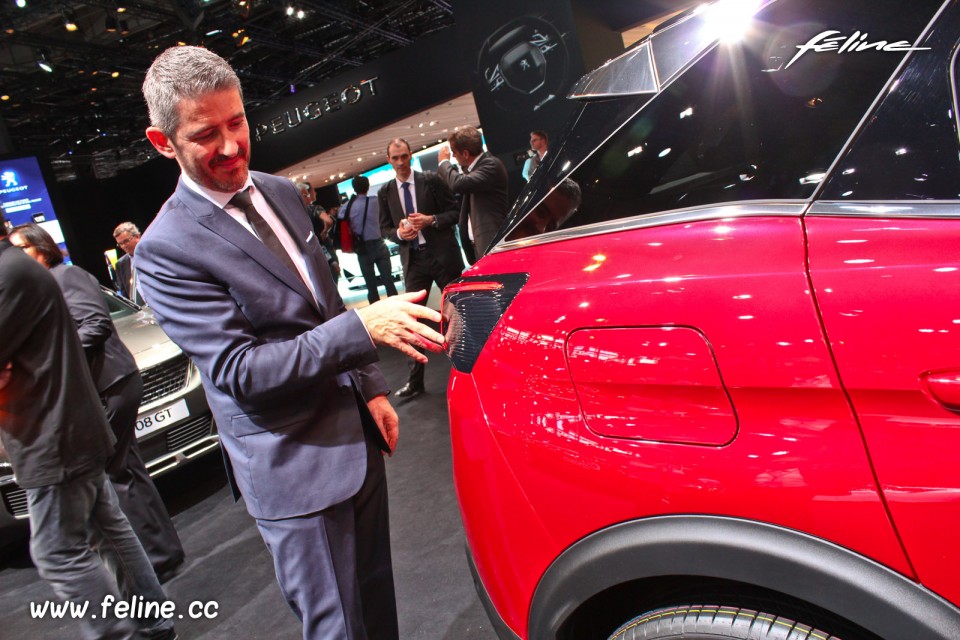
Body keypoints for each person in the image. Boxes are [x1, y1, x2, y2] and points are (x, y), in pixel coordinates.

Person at [137, 45, 445, 640]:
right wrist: (363, 329)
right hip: (291, 469)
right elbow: (239, 371)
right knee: (338, 628)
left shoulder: (278, 192)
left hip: (354, 435)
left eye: (237, 123)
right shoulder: (165, 250)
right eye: (206, 134)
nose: (230, 147)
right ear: (162, 142)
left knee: (378, 612)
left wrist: (371, 388)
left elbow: (320, 301)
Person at [0, 208, 176, 640]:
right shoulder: (18, 269)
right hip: (67, 424)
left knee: (57, 552)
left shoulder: (8, 274)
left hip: (49, 431)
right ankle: (153, 624)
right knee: (109, 530)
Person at [379, 138, 464, 398]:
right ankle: (415, 381)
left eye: (404, 156)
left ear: (411, 155)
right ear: (389, 161)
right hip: (414, 261)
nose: (401, 162)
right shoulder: (385, 192)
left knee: (460, 312)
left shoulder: (431, 181)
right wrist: (399, 234)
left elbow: (455, 212)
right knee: (411, 320)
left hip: (442, 256)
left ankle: (471, 369)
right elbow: (385, 229)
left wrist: (431, 220)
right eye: (395, 158)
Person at [437, 125, 510, 265]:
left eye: (454, 152)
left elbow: (458, 184)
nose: (453, 156)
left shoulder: (491, 165)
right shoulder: (475, 169)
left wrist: (443, 163)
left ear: (465, 153)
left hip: (492, 244)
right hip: (480, 246)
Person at [338, 175, 398, 304]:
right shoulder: (376, 202)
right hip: (380, 244)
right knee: (389, 281)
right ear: (368, 186)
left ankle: (375, 312)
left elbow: (340, 218)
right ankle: (398, 306)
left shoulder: (347, 206)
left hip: (363, 248)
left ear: (354, 188)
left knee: (370, 285)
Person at [112, 221, 144, 305]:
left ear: (137, 236)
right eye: (120, 244)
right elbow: (125, 294)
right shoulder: (120, 264)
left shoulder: (153, 252)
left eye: (126, 241)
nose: (124, 246)